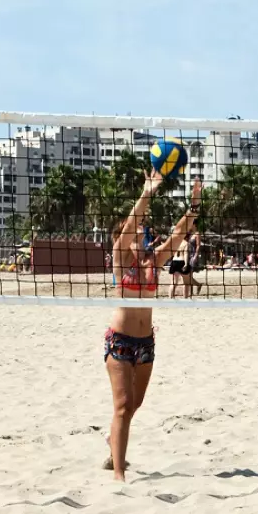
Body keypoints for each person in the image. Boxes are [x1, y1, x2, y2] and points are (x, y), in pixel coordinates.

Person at [102, 172, 202, 480]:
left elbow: (179, 234)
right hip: (120, 341)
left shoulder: (154, 261)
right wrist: (147, 193)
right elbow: (131, 224)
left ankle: (112, 441)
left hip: (146, 342)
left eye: (143, 229)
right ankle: (119, 474)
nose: (141, 231)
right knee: (122, 407)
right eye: (136, 230)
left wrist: (194, 206)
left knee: (134, 405)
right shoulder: (120, 256)